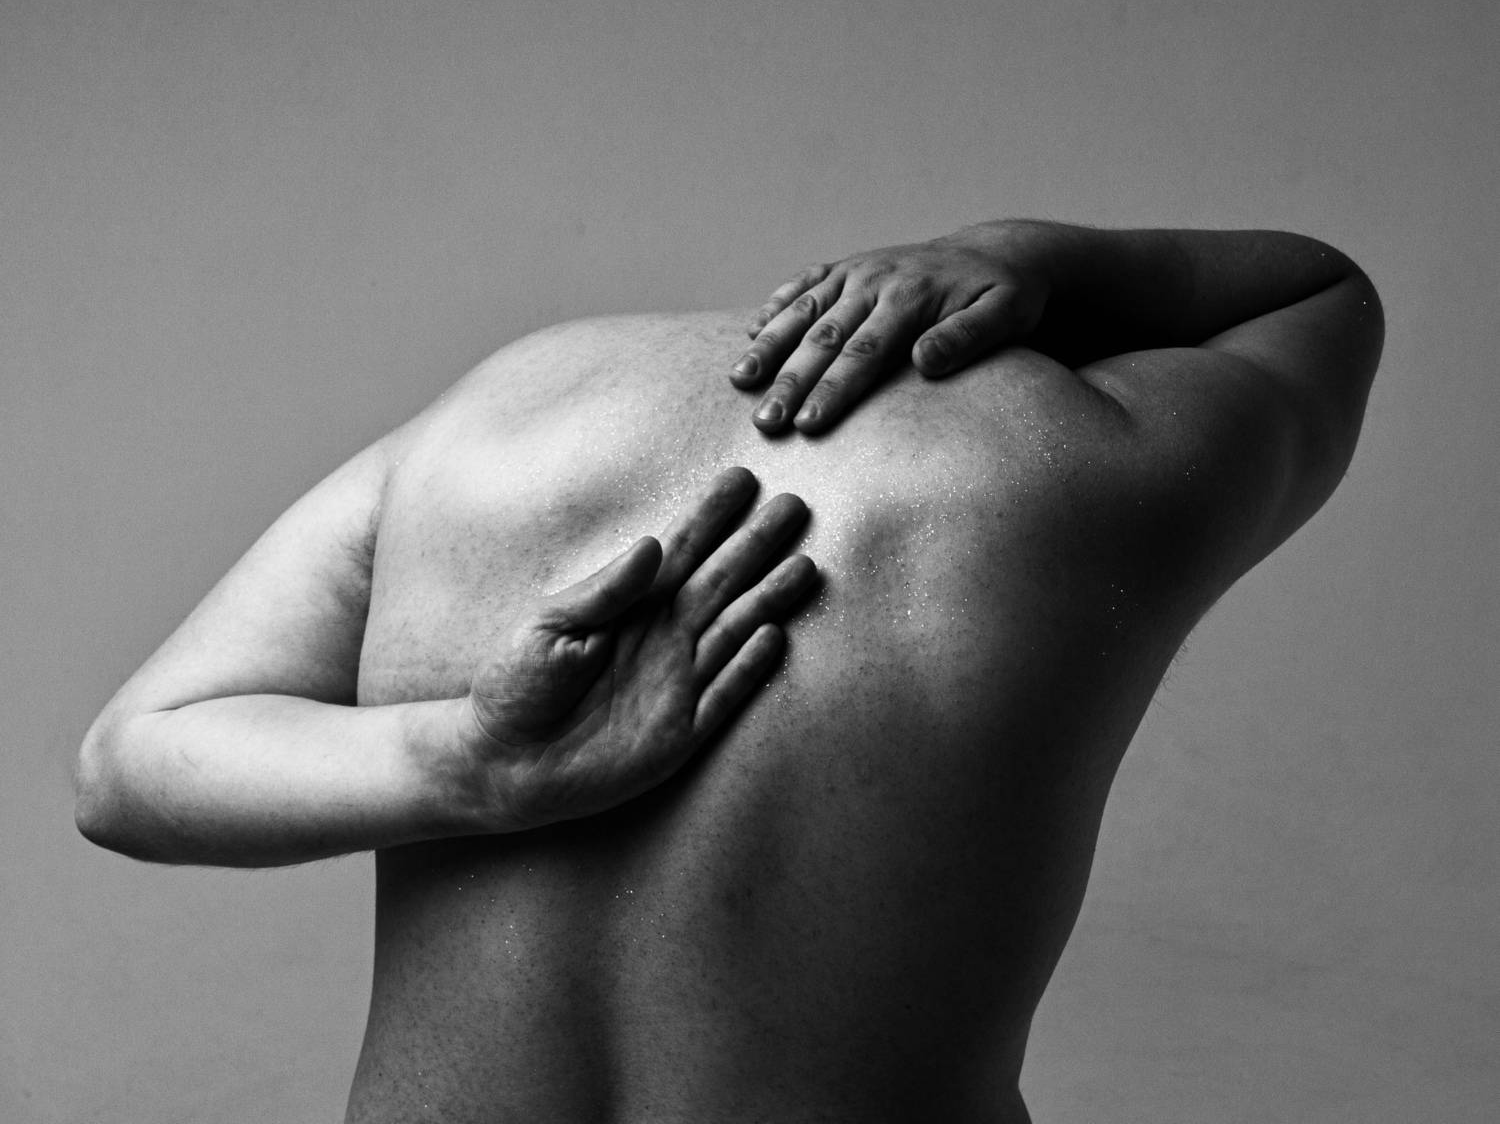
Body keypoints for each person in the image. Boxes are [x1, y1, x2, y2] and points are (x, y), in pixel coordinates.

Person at [75, 219, 1382, 1123]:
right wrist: (1030, 256)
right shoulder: (1083, 464)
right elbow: (1318, 295)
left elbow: (129, 765)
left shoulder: (497, 417)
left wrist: (467, 760)